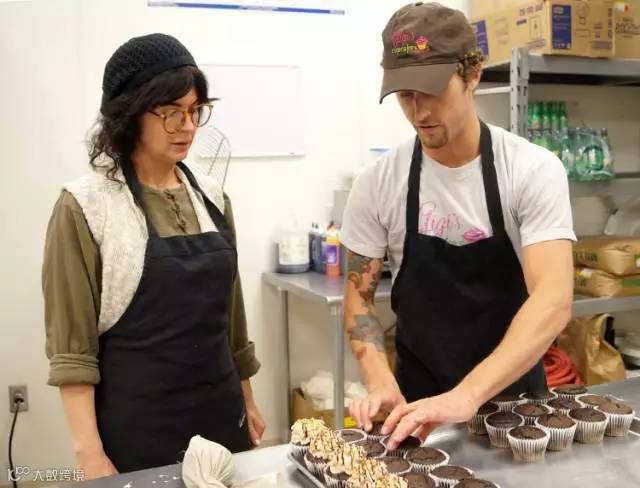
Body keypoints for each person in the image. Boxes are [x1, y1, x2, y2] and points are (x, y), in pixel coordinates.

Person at [341, 3, 575, 450]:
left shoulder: (530, 170)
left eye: (432, 91)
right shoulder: (378, 183)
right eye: (405, 95)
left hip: (517, 412)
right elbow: (360, 299)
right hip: (418, 410)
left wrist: (468, 396)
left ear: (473, 74)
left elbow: (553, 299)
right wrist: (379, 379)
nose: (419, 111)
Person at [42, 34, 265, 477]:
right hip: (139, 431)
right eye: (170, 112)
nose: (187, 126)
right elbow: (73, 350)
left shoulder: (213, 198)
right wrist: (89, 453)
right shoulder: (86, 207)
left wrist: (248, 399)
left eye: (195, 111)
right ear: (129, 113)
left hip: (222, 418)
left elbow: (232, 319)